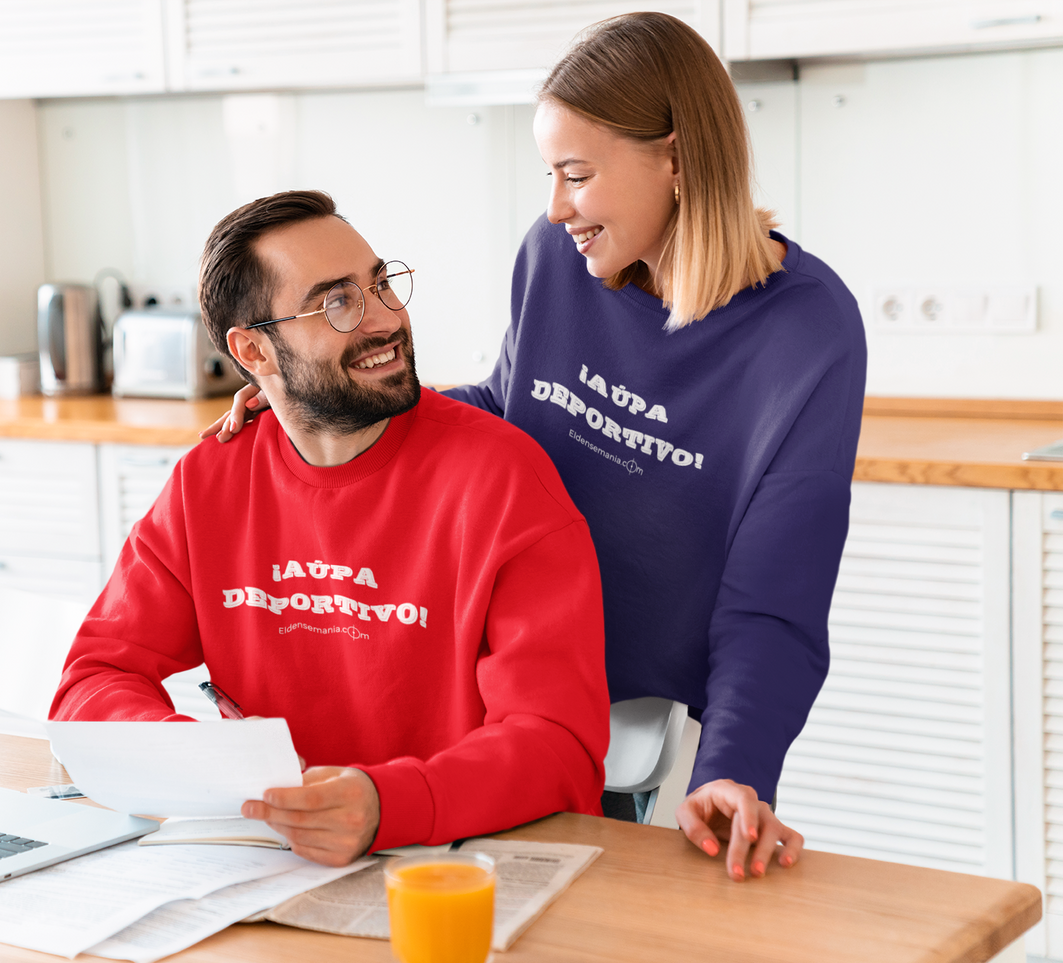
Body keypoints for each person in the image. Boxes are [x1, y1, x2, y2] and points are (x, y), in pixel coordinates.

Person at [205, 12, 866, 882]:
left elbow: (772, 599)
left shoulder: (808, 332)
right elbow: (509, 409)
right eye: (549, 174)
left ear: (674, 156)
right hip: (498, 686)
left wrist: (732, 770)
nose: (556, 206)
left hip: (646, 713)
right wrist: (320, 395)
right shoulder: (554, 257)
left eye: (577, 174)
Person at [51, 190, 611, 867]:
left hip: (463, 860)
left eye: (379, 284)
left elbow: (557, 745)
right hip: (270, 859)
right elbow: (93, 680)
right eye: (336, 303)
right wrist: (205, 763)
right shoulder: (211, 480)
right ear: (254, 351)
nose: (383, 319)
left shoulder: (502, 480)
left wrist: (386, 803)